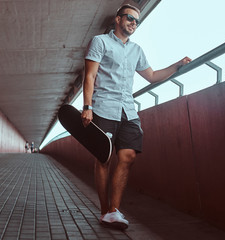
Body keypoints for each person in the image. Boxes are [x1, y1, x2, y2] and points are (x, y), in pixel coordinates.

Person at [81, 4, 192, 230]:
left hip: (128, 111)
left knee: (129, 156)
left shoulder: (137, 50)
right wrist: (87, 106)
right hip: (103, 108)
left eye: (137, 21)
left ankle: (114, 210)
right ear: (118, 19)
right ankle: (105, 212)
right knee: (103, 159)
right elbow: (90, 76)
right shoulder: (100, 42)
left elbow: (151, 76)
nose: (133, 23)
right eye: (130, 18)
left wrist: (177, 66)